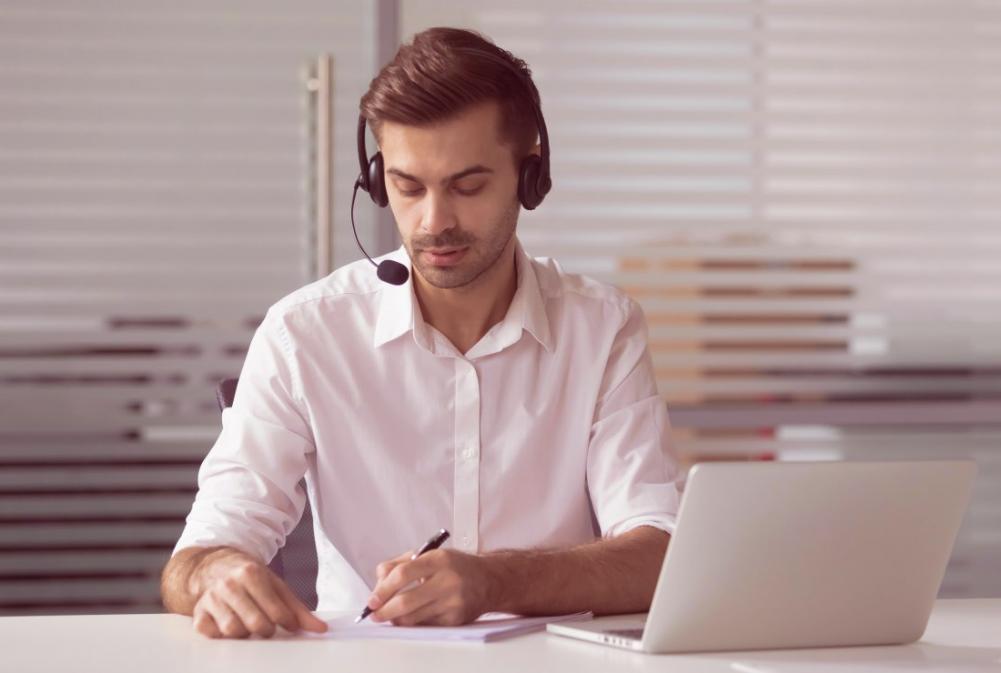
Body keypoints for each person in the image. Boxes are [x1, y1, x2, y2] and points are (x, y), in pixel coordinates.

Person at [160, 26, 681, 640]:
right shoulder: (304, 333)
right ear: (380, 183)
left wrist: (495, 581)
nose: (435, 222)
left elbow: (660, 552)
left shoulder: (602, 328)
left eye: (468, 186)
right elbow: (196, 557)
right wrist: (218, 572)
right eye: (409, 187)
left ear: (529, 176)